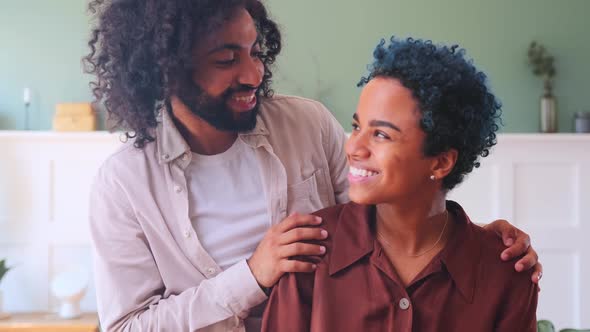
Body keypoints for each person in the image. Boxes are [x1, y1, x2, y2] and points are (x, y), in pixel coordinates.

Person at [84, 1, 541, 331]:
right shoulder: (123, 185)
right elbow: (126, 326)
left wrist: (475, 242)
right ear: (166, 70)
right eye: (227, 60)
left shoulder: (305, 123)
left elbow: (387, 215)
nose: (254, 74)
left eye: (255, 52)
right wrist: (253, 276)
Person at [261, 37, 539, 332]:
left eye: (380, 134)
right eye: (357, 127)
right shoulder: (307, 252)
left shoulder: (506, 272)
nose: (354, 147)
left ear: (441, 162)